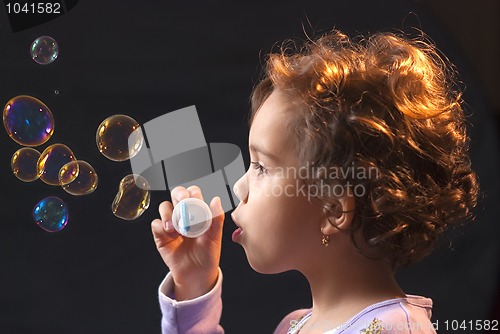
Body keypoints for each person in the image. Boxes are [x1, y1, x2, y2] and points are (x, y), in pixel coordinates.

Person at [150, 29, 479, 333]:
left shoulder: (396, 329)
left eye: (262, 167)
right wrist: (194, 284)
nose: (239, 187)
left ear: (334, 209)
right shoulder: (295, 325)